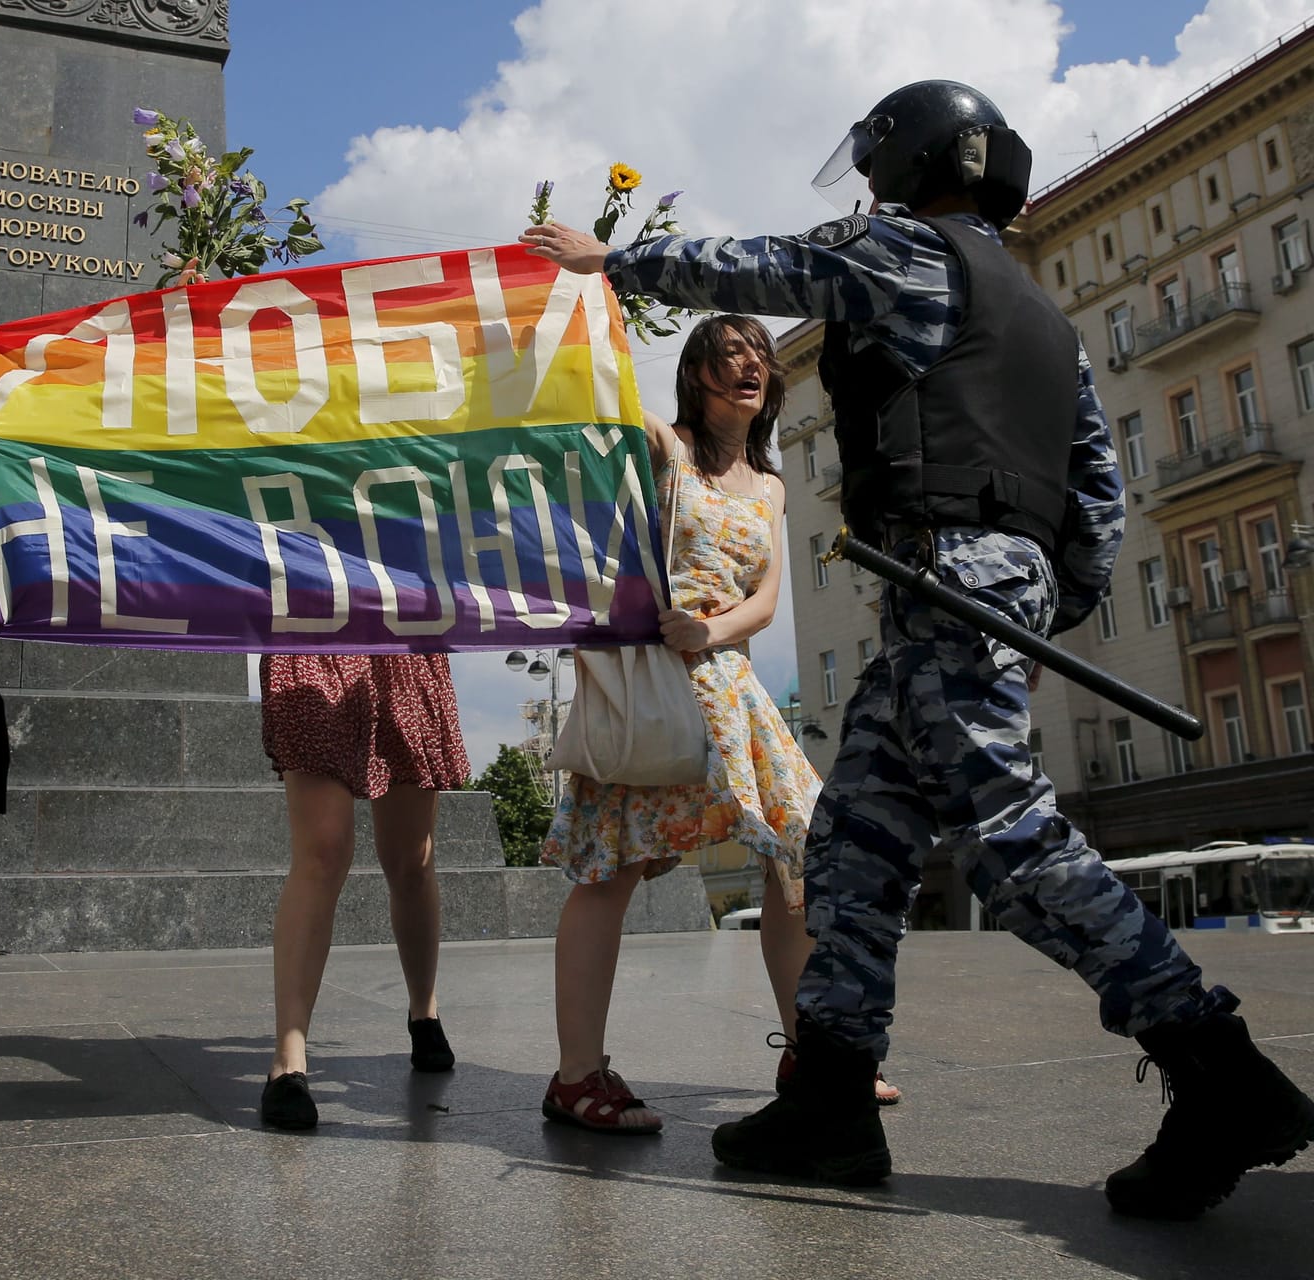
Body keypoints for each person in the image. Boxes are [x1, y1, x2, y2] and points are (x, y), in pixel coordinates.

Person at [522, 79, 1314, 1215]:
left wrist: (621, 263)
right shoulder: (1043, 315)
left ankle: (1218, 1067)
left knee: (1012, 841)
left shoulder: (900, 248)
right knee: (852, 842)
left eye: (873, 164)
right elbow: (1099, 497)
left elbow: (773, 267)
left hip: (946, 576)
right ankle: (832, 1102)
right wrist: (1044, 607)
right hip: (968, 593)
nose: (863, 185)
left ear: (910, 162)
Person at [540, 318, 894, 1137]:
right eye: (728, 353)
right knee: (611, 869)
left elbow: (768, 601)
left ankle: (812, 1052)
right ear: (695, 371)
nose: (748, 366)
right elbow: (604, 401)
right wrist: (599, 299)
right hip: (653, 684)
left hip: (729, 682)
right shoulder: (666, 448)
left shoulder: (770, 486)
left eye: (758, 356)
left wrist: (714, 631)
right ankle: (575, 1075)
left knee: (802, 847)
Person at [256, 653, 470, 1129]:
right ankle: (288, 1058)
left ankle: (424, 1011)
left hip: (400, 634)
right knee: (323, 849)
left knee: (410, 858)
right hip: (314, 625)